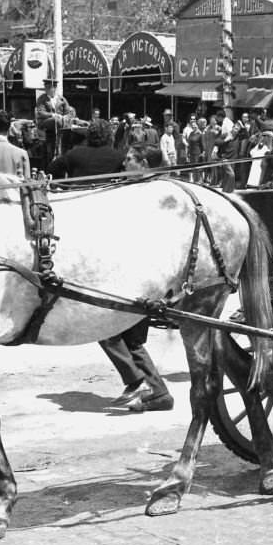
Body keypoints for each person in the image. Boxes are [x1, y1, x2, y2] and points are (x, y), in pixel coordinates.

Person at [93, 143, 174, 412]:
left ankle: (137, 382)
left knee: (107, 329)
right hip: (132, 272)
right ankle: (156, 391)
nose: (124, 162)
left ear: (143, 164)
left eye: (130, 159)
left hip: (141, 275)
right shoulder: (134, 189)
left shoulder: (150, 193)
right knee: (129, 338)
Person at [45, 118, 124, 180]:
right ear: (110, 137)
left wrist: (67, 185)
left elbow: (51, 169)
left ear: (88, 135)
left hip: (78, 195)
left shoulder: (73, 154)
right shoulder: (119, 157)